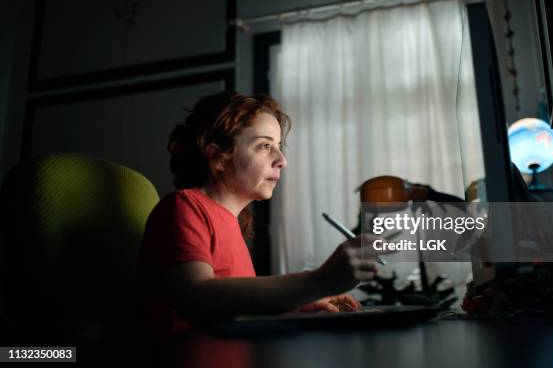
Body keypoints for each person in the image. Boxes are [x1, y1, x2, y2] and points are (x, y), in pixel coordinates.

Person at [138, 91, 381, 338]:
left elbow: (233, 309)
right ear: (218, 156)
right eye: (265, 146)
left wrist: (300, 304)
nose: (282, 160)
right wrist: (319, 281)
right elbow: (197, 296)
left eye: (278, 146)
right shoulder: (184, 206)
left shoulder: (231, 222)